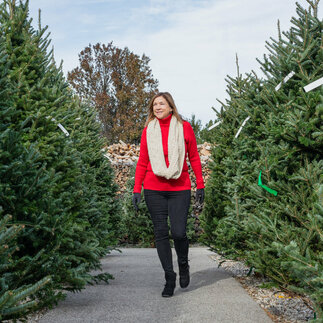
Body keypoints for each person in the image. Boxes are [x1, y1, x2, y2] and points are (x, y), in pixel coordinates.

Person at [132, 92, 205, 297]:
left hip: (179, 188)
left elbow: (195, 157)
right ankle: (169, 277)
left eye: (161, 103)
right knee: (161, 234)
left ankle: (183, 264)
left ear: (171, 107)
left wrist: (200, 184)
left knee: (179, 232)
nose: (157, 107)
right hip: (154, 188)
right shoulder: (149, 130)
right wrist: (137, 189)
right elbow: (143, 161)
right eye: (154, 104)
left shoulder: (184, 128)